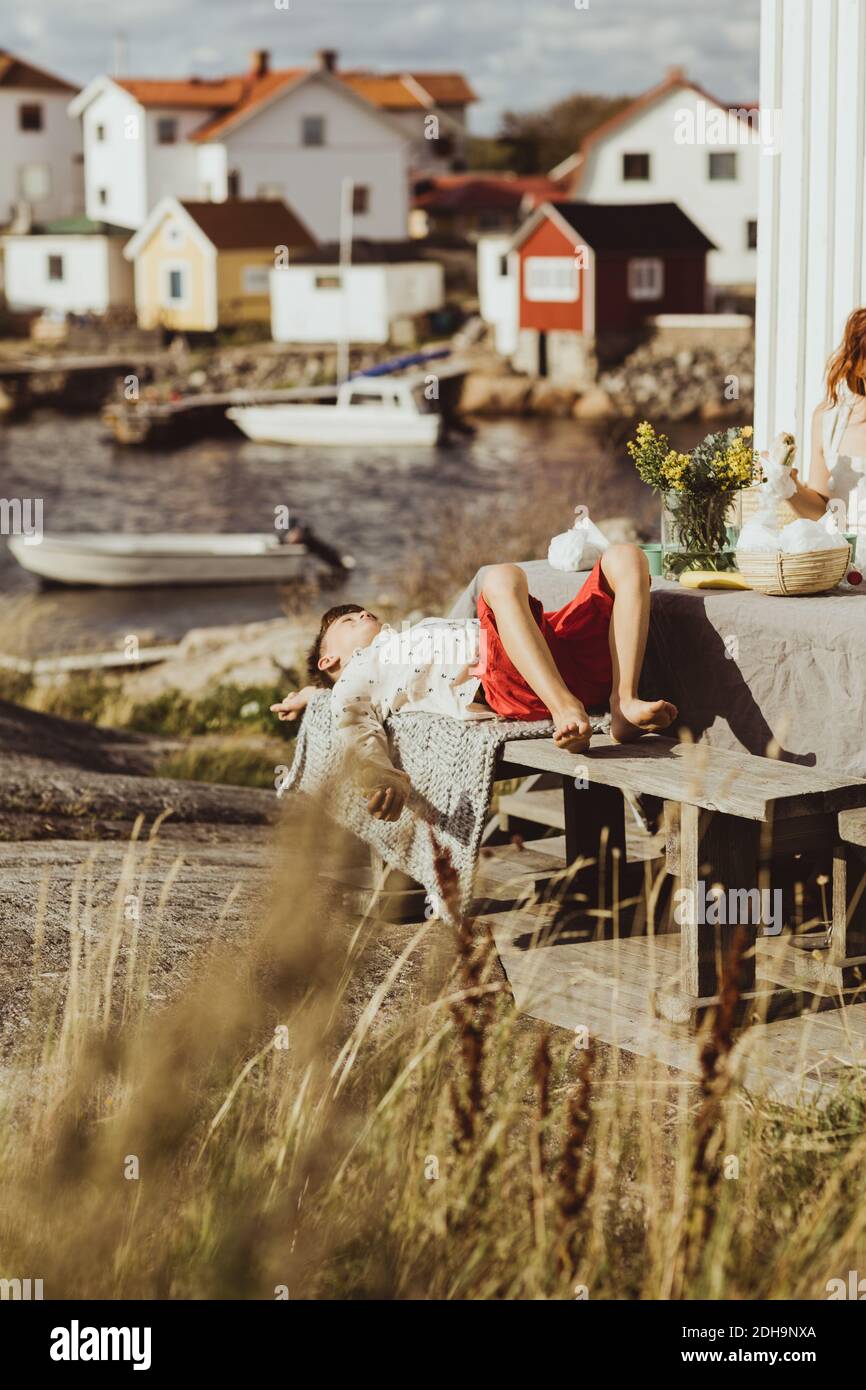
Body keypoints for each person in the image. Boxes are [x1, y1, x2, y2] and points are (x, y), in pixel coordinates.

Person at [271, 544, 677, 822]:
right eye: (348, 621)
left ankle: (623, 701)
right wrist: (381, 774)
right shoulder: (361, 669)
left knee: (626, 556)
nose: (362, 615)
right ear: (330, 660)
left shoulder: (404, 638)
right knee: (498, 577)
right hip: (505, 678)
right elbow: (350, 720)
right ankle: (564, 710)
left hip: (552, 648)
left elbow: (330, 699)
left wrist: (310, 694)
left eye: (363, 612)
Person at [789, 307, 866, 560]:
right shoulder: (828, 419)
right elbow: (820, 510)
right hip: (841, 569)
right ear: (858, 362)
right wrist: (787, 485)